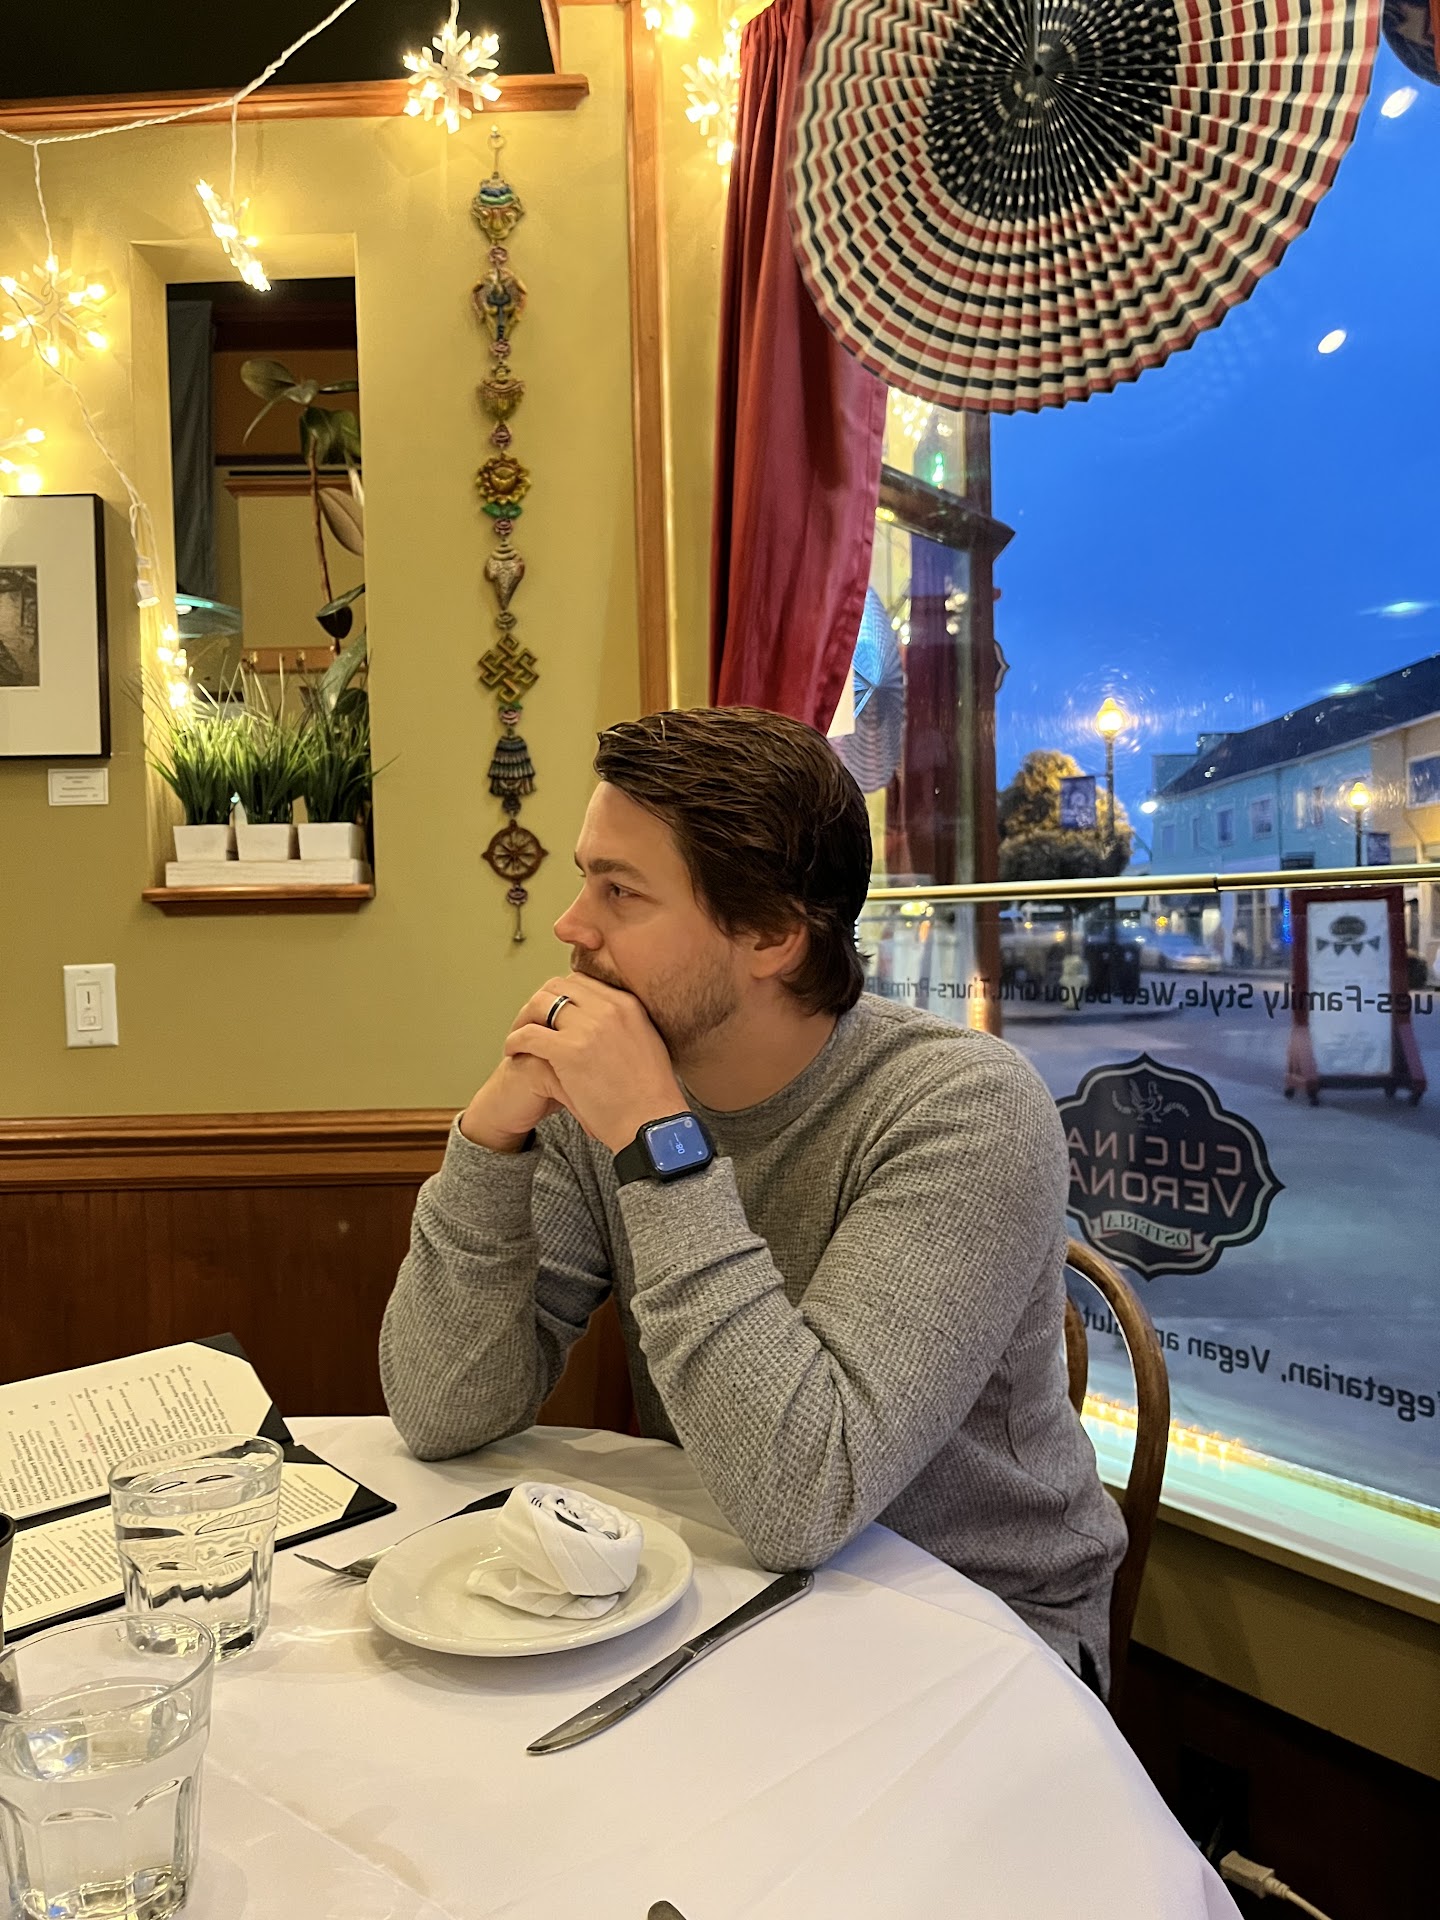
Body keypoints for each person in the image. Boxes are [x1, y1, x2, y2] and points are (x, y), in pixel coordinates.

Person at [381, 707, 1127, 1691]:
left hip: (981, 1628)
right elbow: (440, 1410)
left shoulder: (964, 1107)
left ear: (773, 932)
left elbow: (805, 1495)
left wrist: (660, 1143)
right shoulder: (611, 1097)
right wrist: (491, 1138)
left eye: (620, 891)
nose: (571, 924)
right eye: (585, 877)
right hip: (729, 1588)